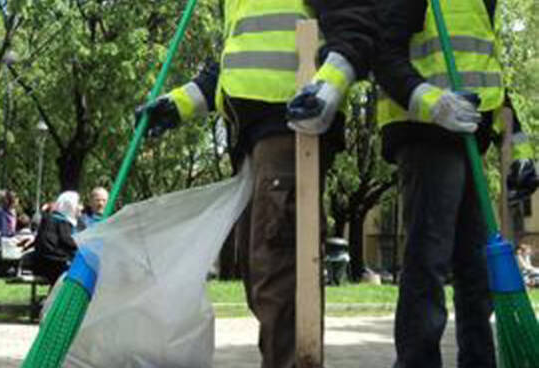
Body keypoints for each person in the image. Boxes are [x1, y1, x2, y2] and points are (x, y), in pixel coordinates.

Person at [136, 1, 378, 365]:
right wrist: (179, 104)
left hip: (294, 124)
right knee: (259, 270)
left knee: (278, 267)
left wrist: (327, 88)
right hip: (252, 137)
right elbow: (232, 67)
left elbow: (356, 27)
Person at [372, 0, 538, 367]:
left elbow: (486, 75)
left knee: (477, 266)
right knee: (429, 260)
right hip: (426, 133)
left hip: (468, 136)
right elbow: (384, 53)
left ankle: (479, 360)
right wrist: (433, 102)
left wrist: (518, 143)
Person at [32, 191, 82, 287]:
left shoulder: (49, 218)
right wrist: (82, 243)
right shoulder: (61, 221)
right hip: (53, 261)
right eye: (77, 204)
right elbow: (67, 241)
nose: (80, 207)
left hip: (42, 260)